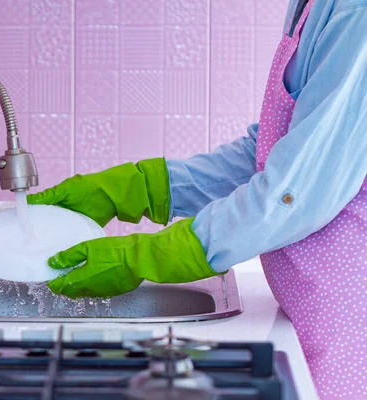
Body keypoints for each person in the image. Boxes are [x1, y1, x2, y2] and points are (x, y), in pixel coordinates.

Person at [27, 0, 367, 399]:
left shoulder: (356, 13)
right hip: (314, 311)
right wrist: (144, 186)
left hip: (350, 322)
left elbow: (296, 193)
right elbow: (274, 150)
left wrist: (159, 253)